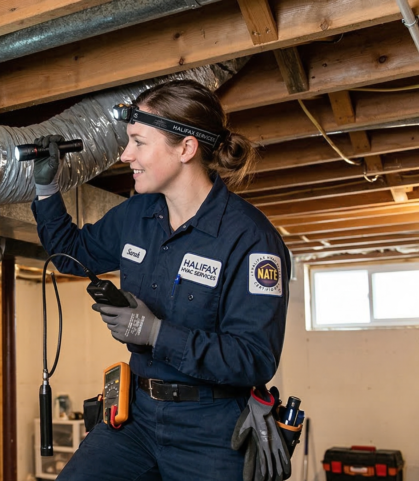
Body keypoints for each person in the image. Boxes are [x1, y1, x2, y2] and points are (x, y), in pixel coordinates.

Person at [30, 79, 291, 481]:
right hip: (136, 417)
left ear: (185, 148)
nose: (124, 154)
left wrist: (155, 332)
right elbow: (72, 254)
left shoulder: (250, 238)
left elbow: (254, 358)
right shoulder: (137, 214)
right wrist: (46, 189)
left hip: (212, 429)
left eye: (138, 142)